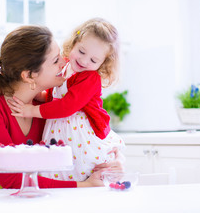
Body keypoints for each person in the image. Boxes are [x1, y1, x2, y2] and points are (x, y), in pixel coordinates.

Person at [0, 25, 123, 189]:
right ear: (29, 76)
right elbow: (10, 178)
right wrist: (84, 185)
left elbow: (75, 150)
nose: (65, 62)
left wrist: (111, 162)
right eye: (56, 60)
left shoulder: (46, 108)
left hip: (26, 193)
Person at [8, 18, 126, 182]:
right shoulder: (66, 66)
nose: (84, 61)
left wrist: (32, 110)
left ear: (102, 64)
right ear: (75, 42)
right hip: (60, 127)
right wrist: (38, 95)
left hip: (78, 130)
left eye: (93, 60)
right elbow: (55, 94)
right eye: (82, 52)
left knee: (79, 167)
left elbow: (66, 106)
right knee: (60, 169)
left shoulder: (90, 78)